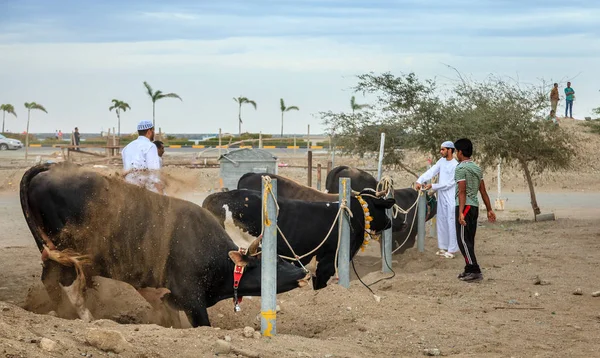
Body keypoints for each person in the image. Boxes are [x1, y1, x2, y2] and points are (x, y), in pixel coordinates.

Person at [453, 138, 496, 283]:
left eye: (456, 151)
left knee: (462, 240)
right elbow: (483, 191)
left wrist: (460, 212)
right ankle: (469, 268)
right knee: (469, 239)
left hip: (464, 206)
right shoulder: (477, 168)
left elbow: (462, 191)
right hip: (475, 207)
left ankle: (475, 270)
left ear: (460, 152)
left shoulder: (460, 168)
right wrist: (489, 209)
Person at [415, 141, 459, 259]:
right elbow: (432, 171)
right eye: (441, 149)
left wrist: (433, 186)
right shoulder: (441, 162)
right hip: (442, 196)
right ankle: (443, 247)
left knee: (451, 221)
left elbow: (450, 183)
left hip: (451, 196)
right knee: (441, 220)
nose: (441, 152)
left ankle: (452, 249)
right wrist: (420, 180)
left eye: (443, 149)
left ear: (450, 150)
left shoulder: (455, 165)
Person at [121, 120, 164, 194]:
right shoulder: (150, 146)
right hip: (144, 188)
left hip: (128, 187)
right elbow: (154, 171)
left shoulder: (126, 147)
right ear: (149, 131)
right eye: (153, 131)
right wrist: (161, 192)